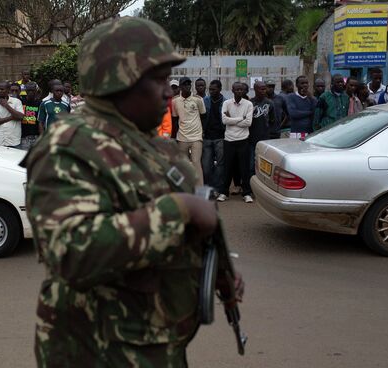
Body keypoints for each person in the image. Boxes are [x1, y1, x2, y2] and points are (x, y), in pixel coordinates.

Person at [21, 17, 243, 366]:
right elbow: (71, 252)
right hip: (98, 351)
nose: (169, 92)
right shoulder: (68, 147)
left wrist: (216, 269)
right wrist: (178, 210)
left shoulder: (142, 141)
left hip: (150, 341)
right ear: (118, 82)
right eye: (159, 80)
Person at [220, 82, 253, 203]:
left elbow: (248, 123)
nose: (239, 91)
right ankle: (224, 192)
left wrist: (232, 120)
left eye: (242, 90)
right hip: (229, 140)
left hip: (243, 140)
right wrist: (241, 118)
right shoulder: (226, 103)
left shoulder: (249, 104)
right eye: (237, 89)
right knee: (227, 168)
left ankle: (247, 193)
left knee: (244, 168)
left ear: (245, 91)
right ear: (232, 90)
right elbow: (224, 120)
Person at [171, 77, 205, 187]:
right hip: (182, 137)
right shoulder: (175, 101)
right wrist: (174, 137)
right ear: (180, 87)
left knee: (196, 162)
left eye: (189, 84)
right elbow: (175, 119)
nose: (187, 86)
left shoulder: (198, 99)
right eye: (185, 85)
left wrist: (202, 132)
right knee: (184, 164)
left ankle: (200, 189)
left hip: (196, 136)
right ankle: (185, 188)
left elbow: (203, 116)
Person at [201, 79, 225, 197]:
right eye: (209, 89)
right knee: (206, 166)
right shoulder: (205, 100)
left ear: (219, 89)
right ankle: (208, 188)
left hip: (220, 138)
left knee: (220, 165)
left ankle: (217, 189)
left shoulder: (225, 102)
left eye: (213, 89)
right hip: (207, 138)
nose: (210, 91)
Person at [249, 81, 275, 175]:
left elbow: (272, 120)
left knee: (264, 164)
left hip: (265, 139)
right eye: (262, 89)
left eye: (265, 88)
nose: (264, 91)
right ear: (255, 89)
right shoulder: (250, 103)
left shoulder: (270, 103)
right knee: (251, 164)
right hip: (251, 139)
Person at [0, 82, 24, 148]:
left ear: (8, 90)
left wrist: (6, 105)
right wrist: (11, 117)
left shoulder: (16, 102)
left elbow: (20, 116)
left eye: (2, 89)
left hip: (14, 141)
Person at [19, 82, 43, 150]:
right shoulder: (21, 102)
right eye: (29, 90)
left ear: (36, 91)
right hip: (24, 137)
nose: (31, 92)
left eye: (32, 90)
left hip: (36, 136)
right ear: (26, 91)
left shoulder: (40, 103)